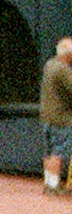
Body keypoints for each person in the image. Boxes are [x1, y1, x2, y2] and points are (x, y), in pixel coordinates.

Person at [40, 36, 72, 193]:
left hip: (47, 116)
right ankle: (53, 186)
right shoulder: (63, 69)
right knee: (58, 153)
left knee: (48, 152)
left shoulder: (49, 64)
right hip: (61, 118)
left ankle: (48, 183)